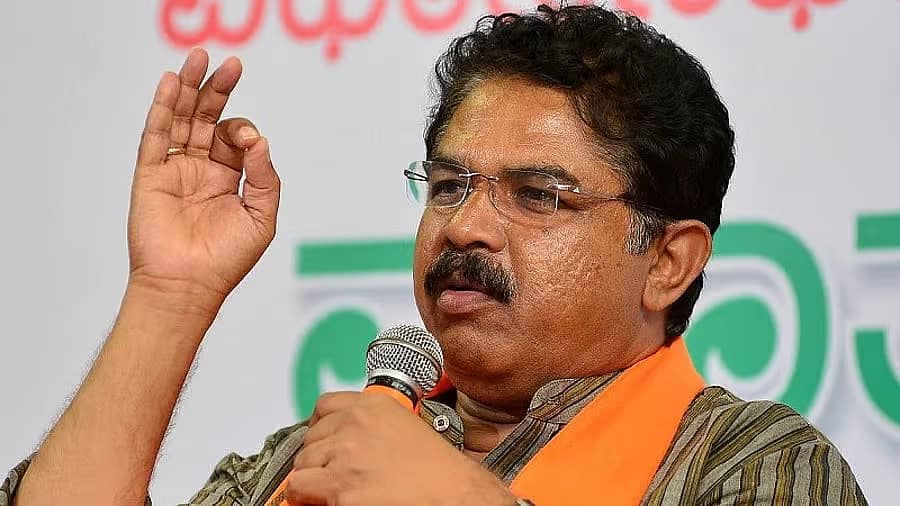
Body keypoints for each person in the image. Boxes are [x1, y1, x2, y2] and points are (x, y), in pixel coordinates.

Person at [2, 4, 867, 506]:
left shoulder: (752, 461)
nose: (464, 226)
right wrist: (170, 294)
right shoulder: (316, 459)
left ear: (668, 261)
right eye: (450, 185)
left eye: (538, 195)